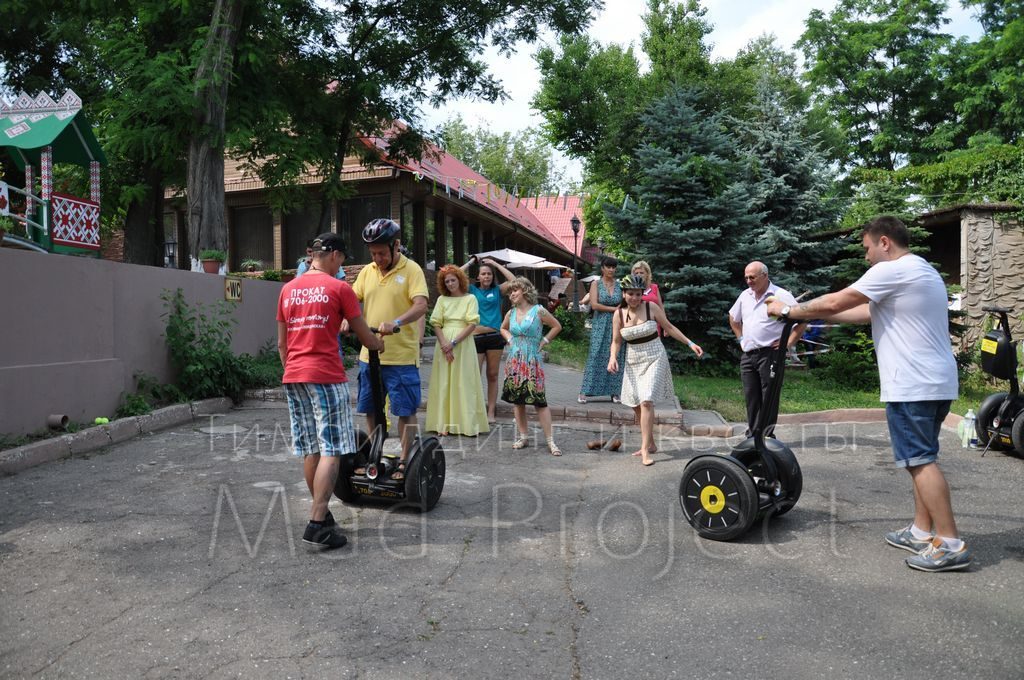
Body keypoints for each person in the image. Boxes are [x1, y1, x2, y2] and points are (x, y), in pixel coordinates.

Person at [766, 216, 971, 572]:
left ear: (885, 242)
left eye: (867, 248)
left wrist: (786, 310)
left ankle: (950, 542)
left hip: (912, 384)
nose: (866, 258)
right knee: (920, 459)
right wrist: (811, 318)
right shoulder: (920, 270)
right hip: (935, 382)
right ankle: (923, 530)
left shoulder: (892, 270)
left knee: (920, 461)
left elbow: (836, 301)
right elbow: (862, 312)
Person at [276, 232, 383, 549]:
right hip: (325, 375)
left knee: (312, 448)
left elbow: (282, 343)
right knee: (332, 449)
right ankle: (318, 521)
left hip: (294, 376)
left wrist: (292, 369)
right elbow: (364, 335)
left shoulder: (288, 289)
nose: (342, 266)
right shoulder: (339, 288)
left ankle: (320, 513)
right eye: (343, 260)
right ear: (335, 255)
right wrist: (378, 343)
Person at [350, 218, 428, 482]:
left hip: (401, 356)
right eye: (373, 253)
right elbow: (353, 300)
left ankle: (405, 460)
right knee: (371, 409)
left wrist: (396, 322)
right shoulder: (366, 271)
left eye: (382, 253)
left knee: (404, 410)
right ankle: (375, 455)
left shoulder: (412, 270)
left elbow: (420, 305)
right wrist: (344, 319)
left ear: (396, 246)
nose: (377, 258)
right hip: (368, 356)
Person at [608, 274, 703, 466]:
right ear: (623, 293)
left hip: (654, 357)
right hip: (633, 360)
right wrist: (612, 358)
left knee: (646, 401)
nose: (634, 298)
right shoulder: (618, 314)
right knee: (634, 403)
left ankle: (644, 449)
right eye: (630, 294)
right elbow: (616, 341)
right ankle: (651, 443)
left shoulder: (651, 308)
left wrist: (690, 343)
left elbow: (669, 327)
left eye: (638, 294)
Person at [728, 261, 806, 437]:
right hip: (748, 355)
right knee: (752, 397)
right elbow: (733, 319)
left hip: (770, 354)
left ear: (765, 276)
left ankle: (766, 436)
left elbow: (803, 320)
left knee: (769, 396)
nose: (748, 281)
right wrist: (741, 338)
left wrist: (788, 344)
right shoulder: (745, 296)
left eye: (752, 277)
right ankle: (753, 435)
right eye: (746, 277)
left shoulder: (781, 295)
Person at [500, 277, 563, 455]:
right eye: (510, 291)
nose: (512, 294)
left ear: (525, 291)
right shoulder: (511, 313)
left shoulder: (539, 311)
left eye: (515, 290)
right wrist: (510, 339)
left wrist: (544, 341)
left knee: (540, 402)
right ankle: (523, 437)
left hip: (532, 361)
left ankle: (551, 441)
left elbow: (556, 326)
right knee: (517, 401)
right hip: (514, 361)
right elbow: (502, 328)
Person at [425, 265, 489, 436]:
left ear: (460, 280)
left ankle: (466, 424)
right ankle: (443, 424)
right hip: (443, 343)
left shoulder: (470, 299)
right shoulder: (442, 300)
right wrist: (444, 343)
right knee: (444, 381)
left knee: (463, 381)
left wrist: (453, 343)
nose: (450, 284)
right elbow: (436, 323)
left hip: (462, 343)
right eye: (447, 281)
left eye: (453, 280)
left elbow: (472, 324)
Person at [461, 255, 516, 421]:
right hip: (476, 337)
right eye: (483, 274)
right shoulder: (472, 290)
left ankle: (491, 412)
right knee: (474, 375)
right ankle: (475, 410)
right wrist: (471, 262)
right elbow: (454, 274)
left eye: (489, 274)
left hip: (495, 338)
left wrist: (495, 264)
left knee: (492, 375)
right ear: (478, 276)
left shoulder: (497, 291)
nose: (486, 276)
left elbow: (514, 280)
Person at [579, 256, 624, 404]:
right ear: (602, 268)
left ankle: (615, 392)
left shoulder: (619, 285)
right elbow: (595, 305)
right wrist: (614, 309)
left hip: (617, 323)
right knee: (596, 354)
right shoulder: (595, 284)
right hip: (600, 323)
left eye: (613, 267)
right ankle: (585, 391)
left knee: (616, 355)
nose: (611, 269)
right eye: (608, 267)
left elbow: (624, 303)